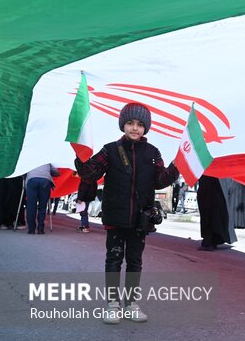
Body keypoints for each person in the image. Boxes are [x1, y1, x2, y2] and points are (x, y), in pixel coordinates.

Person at [75, 103, 179, 324]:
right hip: (115, 215)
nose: (135, 128)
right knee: (113, 260)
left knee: (135, 261)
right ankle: (112, 305)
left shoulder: (153, 153)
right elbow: (91, 173)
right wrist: (80, 157)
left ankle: (131, 304)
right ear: (123, 124)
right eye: (130, 123)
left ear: (146, 128)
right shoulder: (109, 150)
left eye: (140, 125)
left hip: (141, 218)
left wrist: (176, 167)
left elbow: (160, 180)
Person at [196, 175, 237, 251]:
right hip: (215, 181)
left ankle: (209, 241)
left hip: (210, 181)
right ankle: (213, 239)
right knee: (214, 210)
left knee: (209, 209)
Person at [25, 163, 60, 234]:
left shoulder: (29, 159)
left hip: (32, 180)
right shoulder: (47, 160)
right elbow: (56, 172)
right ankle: (40, 229)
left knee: (31, 206)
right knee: (43, 206)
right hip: (45, 181)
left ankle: (31, 229)